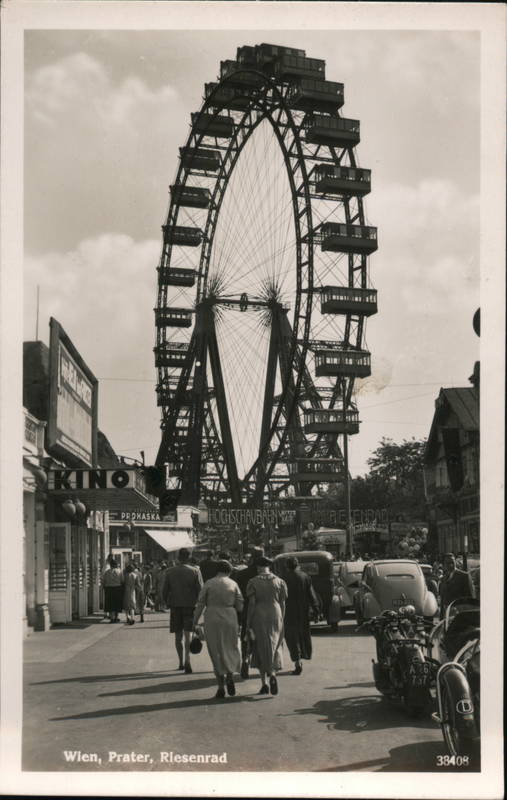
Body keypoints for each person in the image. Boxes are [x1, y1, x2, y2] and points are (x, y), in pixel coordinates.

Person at [193, 560, 244, 699]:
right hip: (230, 617)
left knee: (215, 651)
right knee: (230, 647)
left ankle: (221, 686)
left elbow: (200, 603)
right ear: (229, 571)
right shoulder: (233, 584)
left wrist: (195, 621)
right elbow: (240, 606)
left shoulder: (209, 583)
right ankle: (230, 675)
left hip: (212, 617)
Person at [246, 556, 287, 696]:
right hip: (276, 613)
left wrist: (248, 621)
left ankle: (264, 683)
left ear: (258, 568)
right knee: (275, 644)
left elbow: (251, 603)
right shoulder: (280, 581)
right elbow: (283, 603)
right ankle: (273, 673)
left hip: (259, 614)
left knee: (260, 646)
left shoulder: (253, 582)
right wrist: (282, 618)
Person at [163, 548, 203, 673]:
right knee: (188, 635)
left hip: (175, 606)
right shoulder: (195, 571)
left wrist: (167, 602)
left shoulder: (169, 572)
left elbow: (164, 590)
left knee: (178, 637)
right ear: (189, 557)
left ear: (178, 557)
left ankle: (180, 662)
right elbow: (200, 591)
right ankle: (188, 660)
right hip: (190, 606)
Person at [283, 557, 319, 675]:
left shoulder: (283, 578)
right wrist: (316, 610)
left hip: (288, 612)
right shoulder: (305, 577)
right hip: (303, 611)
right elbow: (312, 595)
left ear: (287, 566)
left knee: (292, 637)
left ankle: (297, 661)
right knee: (303, 634)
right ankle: (302, 656)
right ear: (297, 564)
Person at [232, 546, 264, 679]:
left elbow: (237, 595)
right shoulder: (266, 575)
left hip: (246, 610)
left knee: (246, 637)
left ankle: (245, 659)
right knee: (263, 638)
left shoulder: (242, 573)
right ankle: (265, 666)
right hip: (263, 611)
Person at [439, 552, 475, 617]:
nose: (451, 565)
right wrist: (441, 618)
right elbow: (443, 601)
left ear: (455, 562)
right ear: (443, 565)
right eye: (448, 563)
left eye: (452, 562)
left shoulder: (464, 576)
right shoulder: (443, 579)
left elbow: (470, 600)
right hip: (446, 618)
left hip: (460, 617)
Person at [102, 558, 124, 622]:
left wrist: (105, 587)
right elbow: (122, 580)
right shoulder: (119, 571)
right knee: (117, 603)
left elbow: (104, 581)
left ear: (111, 565)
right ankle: (116, 617)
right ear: (116, 565)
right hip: (117, 588)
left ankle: (112, 618)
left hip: (109, 589)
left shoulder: (107, 572)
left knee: (110, 604)